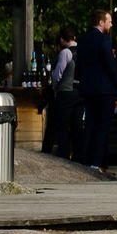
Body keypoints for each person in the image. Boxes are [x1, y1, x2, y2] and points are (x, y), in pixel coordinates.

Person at [75, 7, 117, 173]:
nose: (111, 24)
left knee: (89, 124)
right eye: (109, 21)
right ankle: (96, 162)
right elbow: (110, 65)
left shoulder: (82, 40)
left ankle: (85, 159)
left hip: (87, 88)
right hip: (104, 89)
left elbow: (79, 65)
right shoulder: (103, 40)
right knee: (102, 126)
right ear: (101, 22)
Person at [43, 27, 80, 158]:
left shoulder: (65, 53)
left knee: (62, 125)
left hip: (65, 92)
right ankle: (78, 155)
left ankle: (63, 154)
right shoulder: (82, 51)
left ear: (62, 40)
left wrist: (54, 87)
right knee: (76, 126)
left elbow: (57, 74)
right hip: (79, 92)